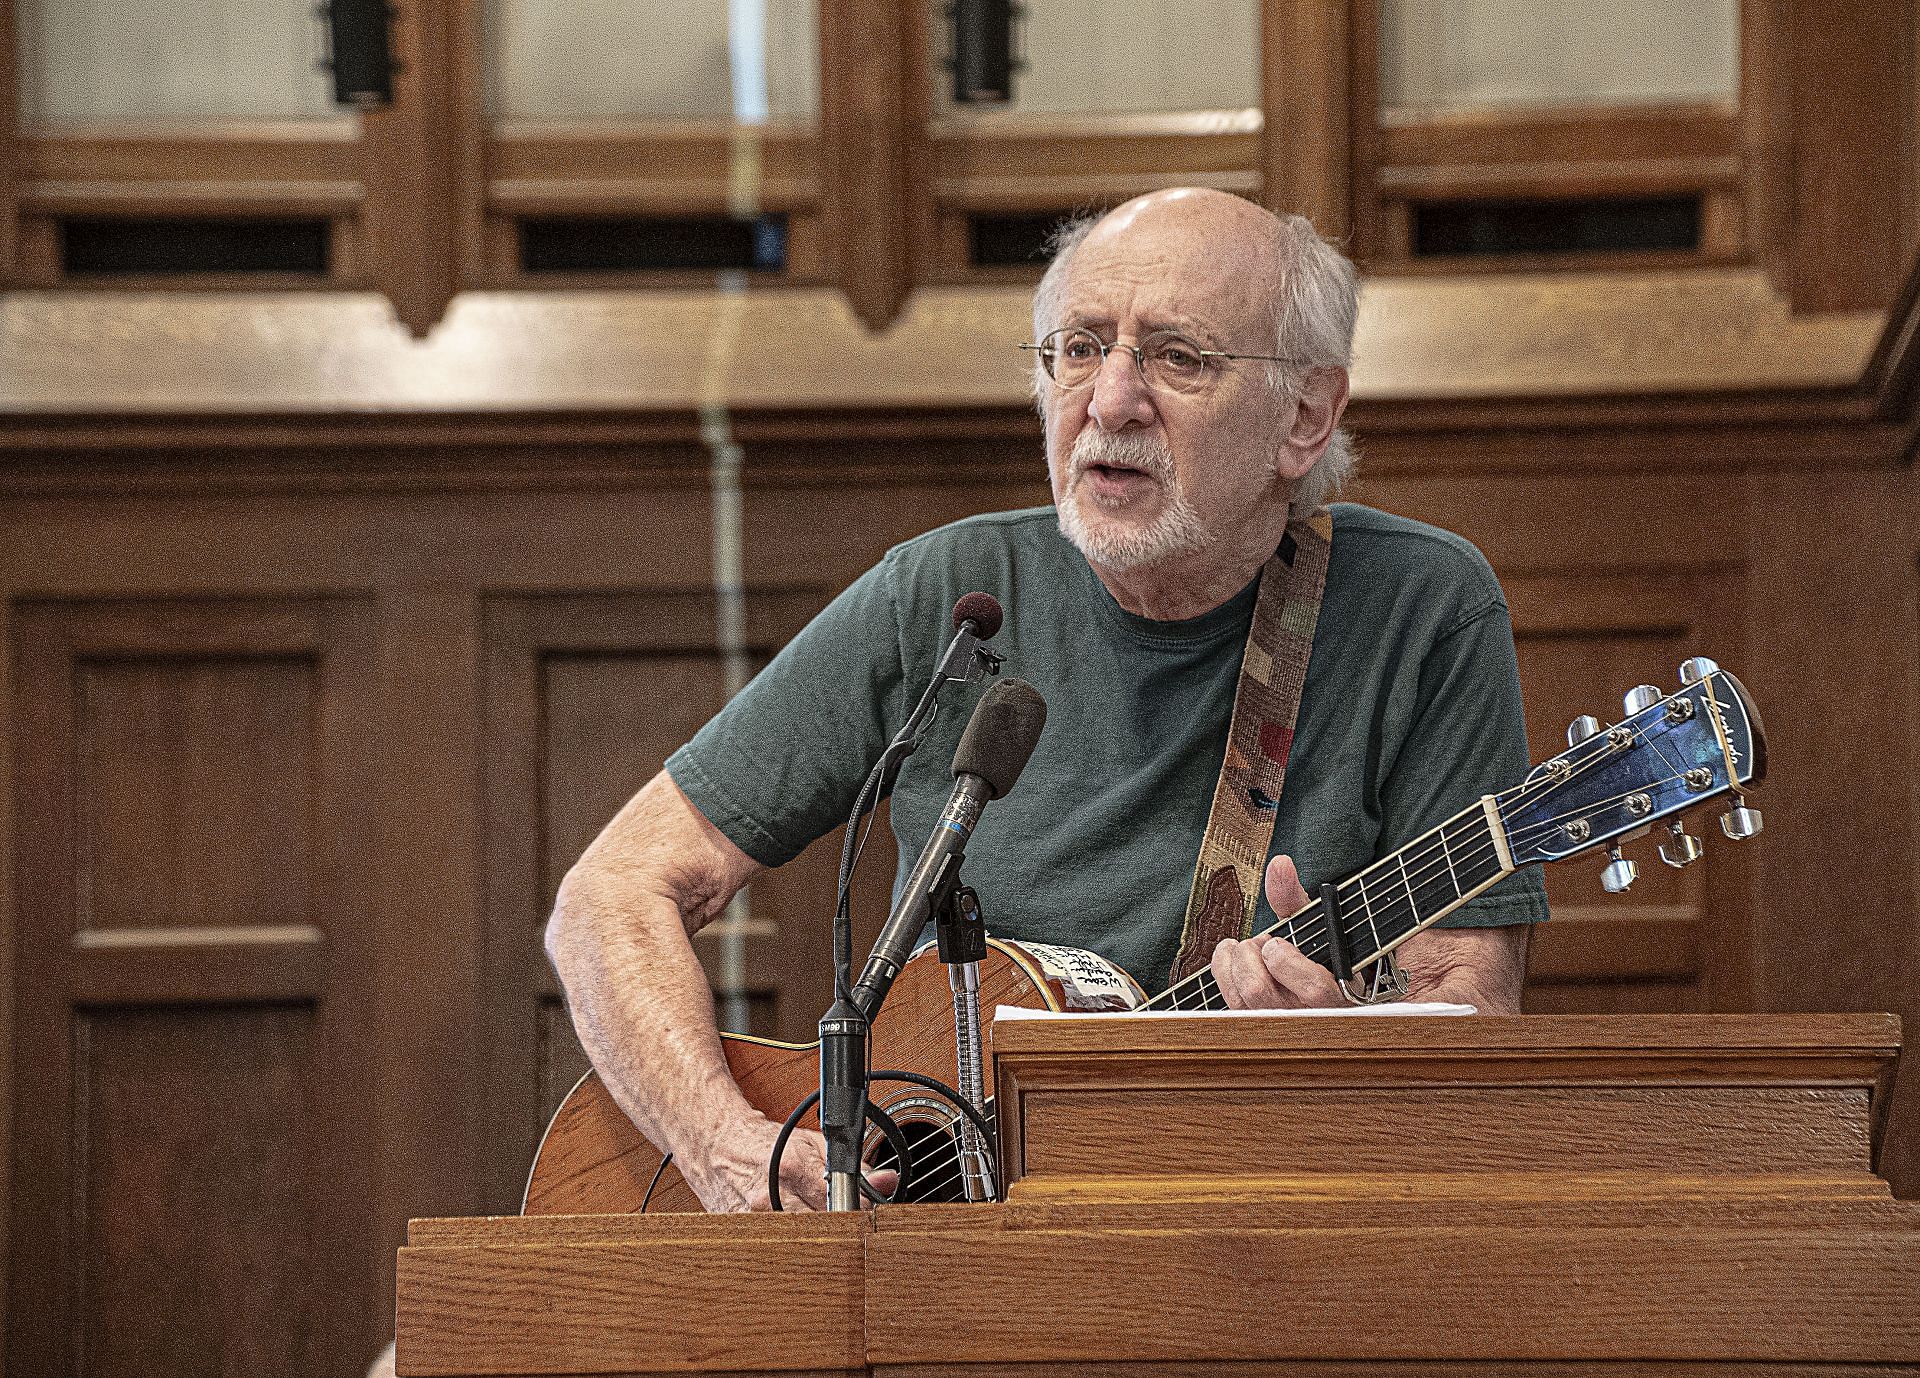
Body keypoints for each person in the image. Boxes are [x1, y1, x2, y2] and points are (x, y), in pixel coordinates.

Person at [545, 188, 1549, 1212]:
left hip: (1244, 1231)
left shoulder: (1423, 609)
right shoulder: (948, 595)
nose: (1110, 401)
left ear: (1305, 415)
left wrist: (1349, 1061)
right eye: (1078, 348)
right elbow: (610, 896)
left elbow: (1465, 1009)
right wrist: (723, 1146)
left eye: (1179, 356)